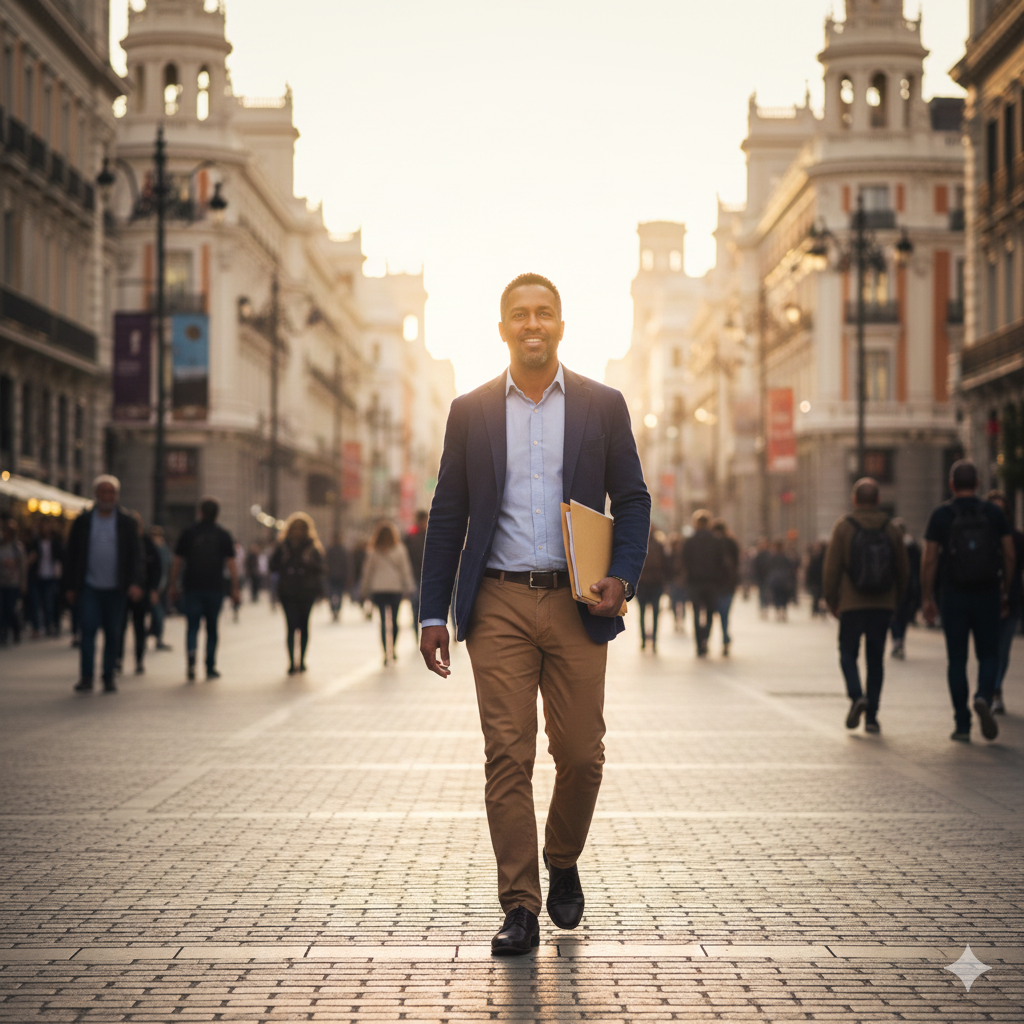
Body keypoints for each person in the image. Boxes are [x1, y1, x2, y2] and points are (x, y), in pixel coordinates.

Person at [418, 273, 650, 955]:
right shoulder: (472, 410)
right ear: (501, 329)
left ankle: (563, 857)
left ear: (561, 325)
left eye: (544, 313)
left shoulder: (602, 406)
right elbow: (448, 516)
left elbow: (632, 500)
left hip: (579, 601)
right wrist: (434, 610)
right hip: (498, 602)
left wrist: (622, 577)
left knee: (581, 755)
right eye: (519, 314)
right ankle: (519, 904)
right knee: (507, 754)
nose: (532, 324)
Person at [921, 460, 1015, 742]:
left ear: (951, 485)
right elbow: (1010, 554)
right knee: (989, 654)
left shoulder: (941, 515)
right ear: (977, 485)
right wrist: (1005, 590)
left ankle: (962, 724)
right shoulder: (993, 514)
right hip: (987, 593)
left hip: (953, 595)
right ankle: (984, 696)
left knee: (957, 660)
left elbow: (928, 559)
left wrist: (927, 596)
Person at [822, 478, 908, 734]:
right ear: (878, 500)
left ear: (854, 500)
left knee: (847, 653)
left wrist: (831, 600)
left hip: (851, 603)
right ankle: (872, 716)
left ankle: (856, 695)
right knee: (875, 659)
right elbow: (903, 569)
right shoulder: (890, 527)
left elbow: (831, 568)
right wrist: (897, 601)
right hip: (882, 604)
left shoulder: (844, 527)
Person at [64, 476, 144, 693]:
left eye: (111, 492)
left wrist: (136, 583)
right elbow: (71, 554)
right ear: (96, 494)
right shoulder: (84, 521)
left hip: (116, 588)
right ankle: (87, 676)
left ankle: (108, 676)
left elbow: (136, 556)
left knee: (113, 633)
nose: (107, 496)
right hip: (89, 586)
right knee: (88, 630)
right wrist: (70, 586)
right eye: (103, 492)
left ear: (116, 496)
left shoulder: (126, 522)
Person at [169, 497, 238, 682]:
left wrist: (172, 584)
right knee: (212, 628)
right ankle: (210, 666)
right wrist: (235, 588)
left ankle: (191, 659)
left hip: (192, 587)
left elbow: (177, 561)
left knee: (192, 627)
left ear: (200, 512)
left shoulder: (189, 532)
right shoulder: (223, 534)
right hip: (215, 588)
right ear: (217, 514)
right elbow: (231, 564)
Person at [270, 512, 326, 674]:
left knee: (304, 626)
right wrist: (284, 560)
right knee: (291, 626)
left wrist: (310, 562)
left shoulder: (312, 547)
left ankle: (301, 660)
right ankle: (291, 661)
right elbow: (272, 566)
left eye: (301, 529)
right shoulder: (283, 546)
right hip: (287, 592)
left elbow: (321, 569)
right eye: (295, 529)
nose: (298, 532)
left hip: (307, 591)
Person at [985, 491, 1023, 716]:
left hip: (1012, 601)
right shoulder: (982, 536)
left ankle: (995, 691)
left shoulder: (1017, 538)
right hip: (985, 601)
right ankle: (989, 690)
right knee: (990, 650)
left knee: (1003, 650)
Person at [360, 520, 415, 665]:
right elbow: (405, 570)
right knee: (395, 621)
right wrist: (409, 586)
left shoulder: (373, 550)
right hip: (395, 589)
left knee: (384, 621)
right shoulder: (399, 549)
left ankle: (385, 653)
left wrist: (364, 590)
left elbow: (368, 572)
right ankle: (394, 649)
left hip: (379, 590)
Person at [118, 512, 162, 675]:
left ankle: (139, 659)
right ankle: (118, 659)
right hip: (122, 591)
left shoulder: (147, 544)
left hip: (141, 593)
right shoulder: (122, 542)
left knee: (139, 628)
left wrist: (152, 589)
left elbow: (156, 568)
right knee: (119, 627)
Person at [682, 510, 724, 657]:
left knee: (695, 613)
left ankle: (699, 644)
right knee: (711, 613)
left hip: (694, 583)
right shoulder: (716, 540)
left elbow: (684, 562)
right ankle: (706, 639)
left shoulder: (690, 541)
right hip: (712, 583)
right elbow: (722, 563)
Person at [888, 519, 921, 660]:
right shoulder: (912, 546)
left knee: (894, 616)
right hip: (909, 586)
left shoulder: (891, 545)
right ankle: (900, 640)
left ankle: (897, 641)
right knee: (903, 616)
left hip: (893, 587)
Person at [28, 518, 64, 636]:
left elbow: (61, 558)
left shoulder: (56, 543)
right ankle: (37, 627)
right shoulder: (34, 543)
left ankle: (50, 625)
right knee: (35, 603)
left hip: (51, 577)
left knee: (49, 603)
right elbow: (27, 559)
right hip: (36, 577)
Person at [636, 524, 667, 652]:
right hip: (656, 583)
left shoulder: (639, 544)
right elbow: (665, 564)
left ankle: (643, 640)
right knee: (655, 613)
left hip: (642, 583)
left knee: (642, 613)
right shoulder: (659, 545)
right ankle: (653, 640)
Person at [712, 519, 740, 656]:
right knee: (724, 614)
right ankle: (725, 638)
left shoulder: (711, 543)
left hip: (714, 584)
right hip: (729, 584)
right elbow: (737, 564)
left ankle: (707, 640)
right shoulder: (732, 543)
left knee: (712, 613)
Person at [0, 518, 26, 645]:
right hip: (1, 582)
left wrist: (23, 583)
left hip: (13, 582)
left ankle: (15, 630)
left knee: (11, 609)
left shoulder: (17, 547)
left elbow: (22, 566)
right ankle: (3, 634)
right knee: (1, 609)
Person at [404, 510, 429, 639]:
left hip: (418, 576)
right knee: (419, 606)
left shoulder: (410, 536)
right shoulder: (422, 536)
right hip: (420, 576)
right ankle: (417, 630)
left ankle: (418, 630)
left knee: (417, 606)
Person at [148, 525, 173, 651]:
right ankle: (153, 635)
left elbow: (169, 566)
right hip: (153, 588)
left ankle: (157, 637)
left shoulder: (163, 549)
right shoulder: (152, 549)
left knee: (160, 613)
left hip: (162, 587)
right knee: (157, 613)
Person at [766, 540, 797, 621]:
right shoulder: (785, 557)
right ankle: (782, 610)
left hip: (775, 580)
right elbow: (791, 569)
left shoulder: (772, 558)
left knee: (777, 596)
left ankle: (778, 611)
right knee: (783, 596)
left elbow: (768, 569)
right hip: (784, 580)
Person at [325, 533, 349, 623]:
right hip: (337, 576)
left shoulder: (331, 550)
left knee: (334, 594)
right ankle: (336, 609)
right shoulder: (340, 551)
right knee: (337, 594)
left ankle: (335, 609)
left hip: (335, 576)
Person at [667, 535, 687, 635]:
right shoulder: (670, 557)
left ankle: (682, 621)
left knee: (682, 603)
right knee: (675, 603)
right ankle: (676, 620)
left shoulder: (684, 556)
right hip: (673, 582)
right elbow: (667, 570)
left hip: (682, 583)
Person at [805, 541, 826, 618]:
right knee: (819, 597)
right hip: (818, 580)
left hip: (818, 580)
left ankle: (818, 610)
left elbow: (810, 570)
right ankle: (818, 611)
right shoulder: (815, 557)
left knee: (818, 597)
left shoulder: (818, 557)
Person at [752, 538, 771, 619]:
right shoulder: (759, 555)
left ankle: (765, 607)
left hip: (767, 577)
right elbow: (755, 567)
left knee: (765, 593)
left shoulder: (768, 555)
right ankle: (763, 607)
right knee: (762, 593)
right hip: (761, 578)